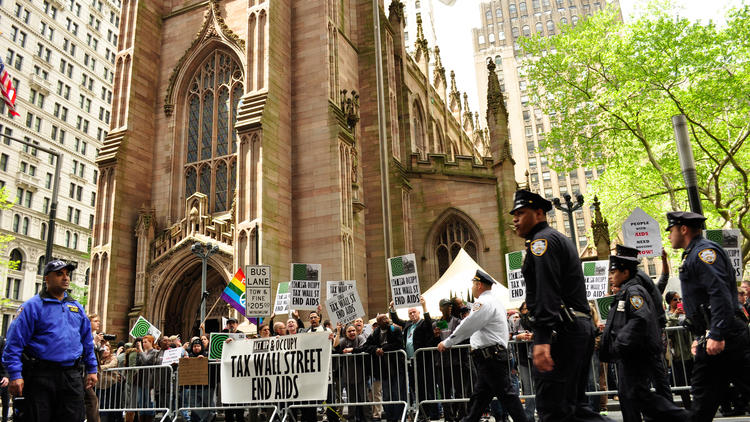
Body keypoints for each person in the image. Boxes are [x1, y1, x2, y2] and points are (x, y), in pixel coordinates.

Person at [509, 189, 611, 422]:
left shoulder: (541, 242)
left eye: (521, 213)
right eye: (514, 214)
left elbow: (547, 290)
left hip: (561, 333)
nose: (515, 218)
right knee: (573, 409)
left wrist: (542, 340)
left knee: (554, 410)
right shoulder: (554, 239)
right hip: (575, 328)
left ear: (539, 213)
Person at [666, 211, 750, 421]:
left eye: (671, 230)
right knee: (703, 399)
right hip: (717, 336)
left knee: (703, 400)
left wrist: (718, 333)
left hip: (726, 336)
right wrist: (700, 336)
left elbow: (719, 293)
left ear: (683, 229)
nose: (669, 236)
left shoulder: (704, 254)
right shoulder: (693, 254)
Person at [2, 259, 98, 421]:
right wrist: (15, 374)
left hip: (71, 376)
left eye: (67, 274)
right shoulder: (32, 307)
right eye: (59, 274)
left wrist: (92, 369)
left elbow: (87, 342)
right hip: (41, 377)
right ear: (47, 278)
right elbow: (14, 344)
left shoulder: (76, 308)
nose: (65, 278)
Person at [599, 255, 689, 422]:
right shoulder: (626, 291)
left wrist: (620, 341)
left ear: (625, 272)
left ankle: (682, 418)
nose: (610, 277)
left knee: (639, 396)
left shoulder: (633, 292)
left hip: (636, 354)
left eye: (613, 272)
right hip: (629, 354)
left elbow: (640, 318)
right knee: (632, 395)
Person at [438, 270, 527, 422]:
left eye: (473, 284)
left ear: (479, 285)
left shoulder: (483, 302)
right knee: (479, 399)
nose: (472, 288)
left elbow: (468, 325)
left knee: (507, 395)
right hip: (490, 357)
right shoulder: (495, 302)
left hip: (491, 358)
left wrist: (447, 342)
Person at [613, 245, 672, 406]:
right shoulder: (641, 277)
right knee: (655, 376)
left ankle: (669, 413)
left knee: (652, 376)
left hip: (647, 335)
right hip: (652, 331)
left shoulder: (634, 283)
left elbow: (640, 315)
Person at [389, 296, 439, 421]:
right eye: (410, 313)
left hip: (423, 360)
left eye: (414, 312)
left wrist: (424, 306)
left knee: (428, 387)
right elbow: (396, 319)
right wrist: (392, 309)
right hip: (411, 362)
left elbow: (429, 323)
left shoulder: (423, 323)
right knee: (416, 387)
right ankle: (423, 412)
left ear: (418, 313)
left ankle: (434, 413)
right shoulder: (408, 325)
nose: (412, 315)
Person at [361, 314, 406, 422]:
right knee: (386, 394)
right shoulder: (375, 333)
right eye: (383, 319)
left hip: (396, 367)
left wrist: (383, 349)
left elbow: (399, 344)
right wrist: (376, 349)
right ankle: (390, 417)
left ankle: (397, 417)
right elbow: (366, 346)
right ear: (378, 322)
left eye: (386, 318)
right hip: (383, 369)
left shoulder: (395, 330)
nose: (386, 320)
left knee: (396, 393)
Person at [665, 291, 693, 409]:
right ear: (669, 302)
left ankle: (698, 405)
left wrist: (688, 315)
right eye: (675, 300)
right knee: (682, 381)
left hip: (691, 351)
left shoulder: (686, 311)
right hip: (677, 352)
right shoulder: (667, 314)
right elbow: (668, 330)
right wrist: (675, 315)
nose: (678, 302)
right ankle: (687, 406)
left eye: (679, 299)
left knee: (695, 379)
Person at [0, 336, 9, 422]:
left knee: (5, 401)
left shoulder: (1, 341)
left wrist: (6, 375)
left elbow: (4, 358)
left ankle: (5, 419)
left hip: (1, 376)